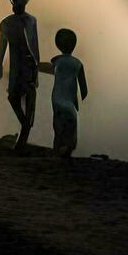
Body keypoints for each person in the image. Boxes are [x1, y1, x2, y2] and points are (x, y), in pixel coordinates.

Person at [0, 0, 39, 152]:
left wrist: (35, 71)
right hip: (17, 67)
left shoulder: (30, 21)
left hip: (26, 67)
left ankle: (22, 140)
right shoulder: (6, 23)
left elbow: (35, 47)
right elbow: (2, 46)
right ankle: (25, 130)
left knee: (26, 101)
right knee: (14, 98)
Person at [40, 28, 88, 158]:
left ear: (58, 44)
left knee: (58, 129)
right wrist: (81, 102)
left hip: (56, 100)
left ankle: (57, 153)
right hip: (70, 103)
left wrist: (35, 65)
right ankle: (66, 153)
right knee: (71, 133)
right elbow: (84, 89)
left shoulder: (57, 61)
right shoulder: (78, 64)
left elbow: (48, 68)